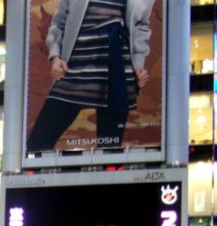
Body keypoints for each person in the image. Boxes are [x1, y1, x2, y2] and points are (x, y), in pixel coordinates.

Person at [27, 0, 154, 152]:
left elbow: (141, 26)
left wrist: (138, 64)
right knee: (37, 145)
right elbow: (60, 21)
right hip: (73, 69)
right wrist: (55, 57)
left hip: (117, 71)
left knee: (110, 153)